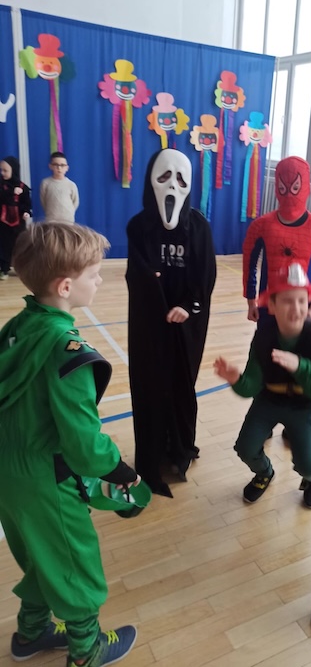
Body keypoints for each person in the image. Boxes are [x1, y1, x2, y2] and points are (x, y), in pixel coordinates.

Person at [0, 222, 138, 667]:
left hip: (9, 474)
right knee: (76, 565)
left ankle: (31, 633)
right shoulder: (67, 350)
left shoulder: (17, 327)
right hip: (47, 480)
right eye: (94, 275)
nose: (99, 281)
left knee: (42, 556)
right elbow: (82, 443)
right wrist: (119, 469)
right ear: (65, 286)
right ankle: (86, 652)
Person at [126, 148, 216, 496]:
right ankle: (151, 454)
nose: (173, 185)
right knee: (149, 384)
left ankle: (179, 449)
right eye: (164, 176)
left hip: (186, 327)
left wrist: (187, 306)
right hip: (149, 325)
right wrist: (159, 300)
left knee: (181, 384)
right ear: (150, 179)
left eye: (181, 178)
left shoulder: (199, 228)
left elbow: (204, 276)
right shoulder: (138, 227)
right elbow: (139, 275)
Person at [214, 263, 311, 508]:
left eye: (302, 301)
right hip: (269, 400)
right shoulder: (263, 337)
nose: (296, 308)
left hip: (305, 406)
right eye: (287, 301)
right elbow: (250, 388)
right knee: (245, 448)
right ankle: (264, 472)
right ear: (273, 306)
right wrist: (236, 379)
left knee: (309, 465)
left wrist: (300, 367)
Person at [242, 155, 311, 323]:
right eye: (283, 188)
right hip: (268, 309)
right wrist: (251, 301)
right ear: (277, 187)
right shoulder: (260, 226)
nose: (288, 194)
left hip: (302, 311)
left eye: (295, 187)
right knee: (265, 340)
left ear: (305, 186)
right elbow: (249, 265)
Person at [0, 156, 32, 279]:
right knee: (4, 245)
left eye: (5, 170)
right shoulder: (1, 185)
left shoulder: (23, 187)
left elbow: (26, 203)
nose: (3, 173)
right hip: (3, 221)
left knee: (19, 245)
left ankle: (20, 268)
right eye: (1, 170)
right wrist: (11, 192)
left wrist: (26, 212)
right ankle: (4, 269)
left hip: (18, 222)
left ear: (13, 170)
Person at [39, 151, 80, 223]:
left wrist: (69, 213)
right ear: (50, 166)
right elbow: (43, 201)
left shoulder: (71, 184)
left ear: (67, 168)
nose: (59, 168)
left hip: (68, 220)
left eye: (62, 165)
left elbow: (75, 202)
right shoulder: (45, 183)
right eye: (56, 165)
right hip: (51, 219)